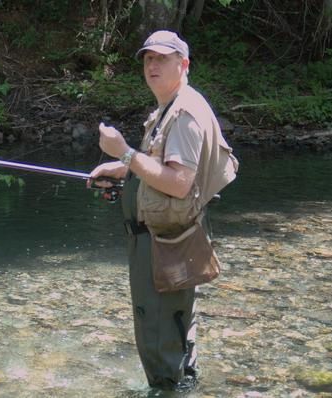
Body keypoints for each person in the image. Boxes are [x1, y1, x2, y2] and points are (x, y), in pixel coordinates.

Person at [88, 30, 238, 391]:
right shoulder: (172, 106)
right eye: (147, 58)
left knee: (158, 334)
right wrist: (124, 170)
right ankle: (183, 385)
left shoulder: (184, 114)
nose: (152, 65)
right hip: (169, 239)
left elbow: (179, 182)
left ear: (183, 64)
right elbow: (160, 165)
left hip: (161, 244)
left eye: (161, 58)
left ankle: (168, 389)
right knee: (175, 327)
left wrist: (123, 152)